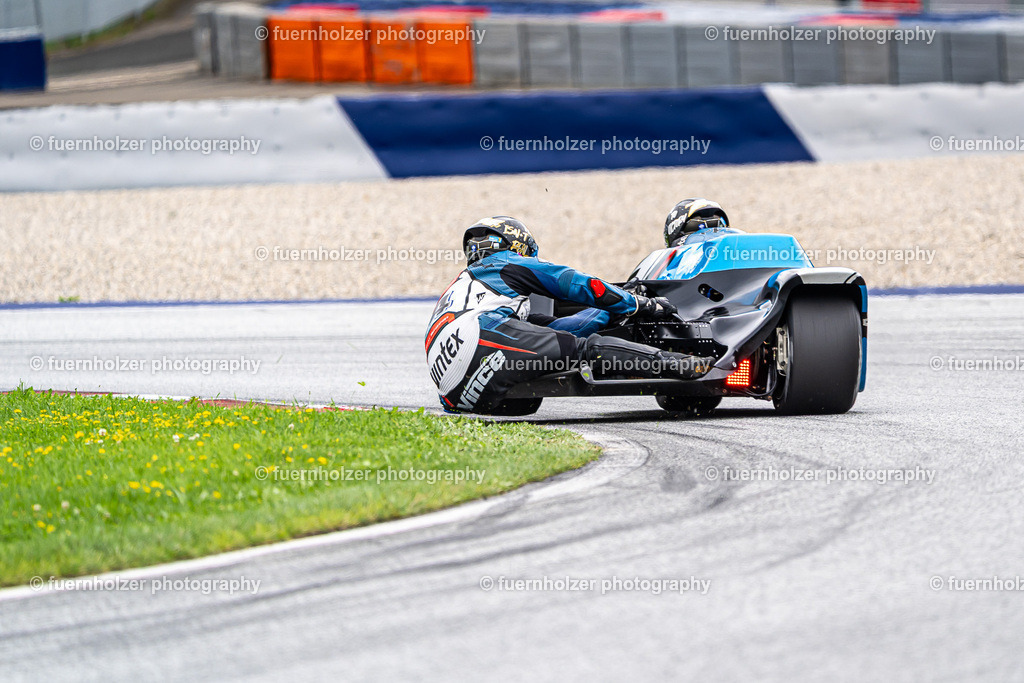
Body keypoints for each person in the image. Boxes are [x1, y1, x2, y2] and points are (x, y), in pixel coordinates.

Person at [425, 216, 714, 415]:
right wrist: (638, 303)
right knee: (583, 352)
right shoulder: (505, 264)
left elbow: (569, 328)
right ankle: (684, 366)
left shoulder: (469, 289)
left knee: (556, 357)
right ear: (518, 245)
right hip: (478, 337)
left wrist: (609, 313)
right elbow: (577, 283)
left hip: (454, 393)